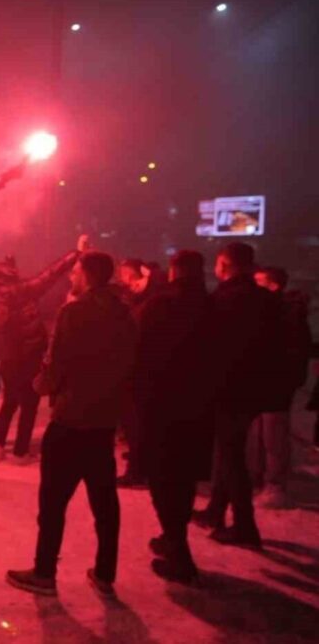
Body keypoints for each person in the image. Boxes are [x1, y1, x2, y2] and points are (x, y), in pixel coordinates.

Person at [7, 251, 136, 598]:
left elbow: (56, 365)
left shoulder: (74, 313)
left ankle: (45, 571)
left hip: (70, 420)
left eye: (76, 271)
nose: (72, 278)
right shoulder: (125, 314)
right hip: (104, 421)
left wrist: (38, 385)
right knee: (105, 503)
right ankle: (106, 572)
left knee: (53, 503)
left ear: (88, 275)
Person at [193, 243, 283, 549]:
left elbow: (208, 345)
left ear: (224, 264)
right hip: (257, 387)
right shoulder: (266, 299)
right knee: (228, 449)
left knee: (231, 455)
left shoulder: (224, 299)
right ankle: (215, 511)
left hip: (229, 388)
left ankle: (245, 526)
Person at [134, 251, 216, 584]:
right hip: (200, 404)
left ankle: (179, 551)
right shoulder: (215, 307)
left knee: (163, 475)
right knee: (183, 477)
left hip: (162, 404)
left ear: (174, 271)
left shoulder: (161, 305)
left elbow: (137, 350)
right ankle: (173, 537)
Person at [0, 234, 89, 464]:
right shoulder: (25, 290)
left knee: (10, 400)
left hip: (8, 357)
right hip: (30, 355)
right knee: (29, 403)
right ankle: (21, 451)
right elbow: (52, 273)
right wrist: (76, 254)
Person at [247, 266, 312, 508]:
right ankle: (260, 477)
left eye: (259, 281)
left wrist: (286, 380)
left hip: (275, 384)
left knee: (274, 436)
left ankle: (275, 485)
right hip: (262, 380)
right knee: (260, 434)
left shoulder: (287, 312)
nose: (255, 285)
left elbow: (293, 351)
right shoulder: (271, 310)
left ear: (274, 285)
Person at [115, 258, 165, 489]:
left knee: (136, 422)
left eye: (125, 272)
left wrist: (152, 274)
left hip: (137, 367)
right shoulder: (136, 296)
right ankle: (139, 462)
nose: (121, 276)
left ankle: (137, 469)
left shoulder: (145, 298)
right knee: (135, 422)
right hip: (135, 366)